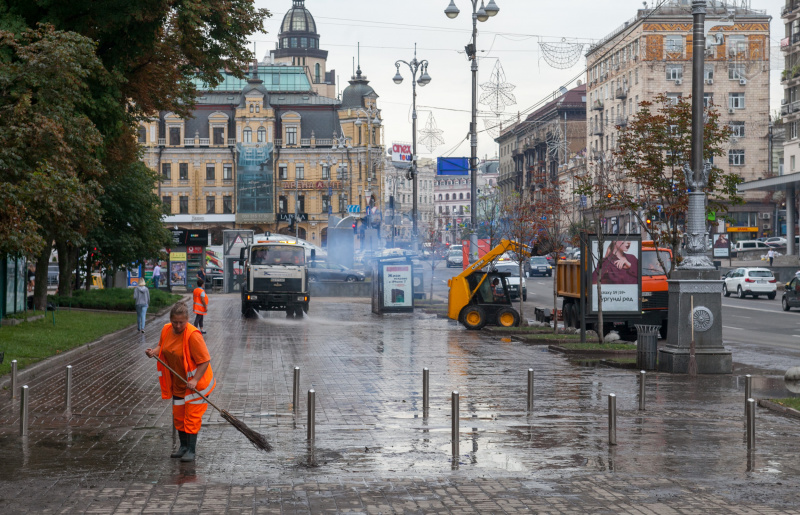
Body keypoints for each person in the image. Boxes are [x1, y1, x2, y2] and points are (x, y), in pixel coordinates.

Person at [145, 303, 215, 462]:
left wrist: (195, 380)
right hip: (179, 383)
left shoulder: (193, 335)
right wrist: (153, 352)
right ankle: (183, 447)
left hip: (197, 385)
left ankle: (191, 450)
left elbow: (205, 361)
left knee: (191, 417)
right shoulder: (166, 330)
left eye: (181, 322)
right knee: (179, 416)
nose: (177, 326)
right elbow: (161, 347)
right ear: (170, 320)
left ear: (187, 320)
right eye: (175, 322)